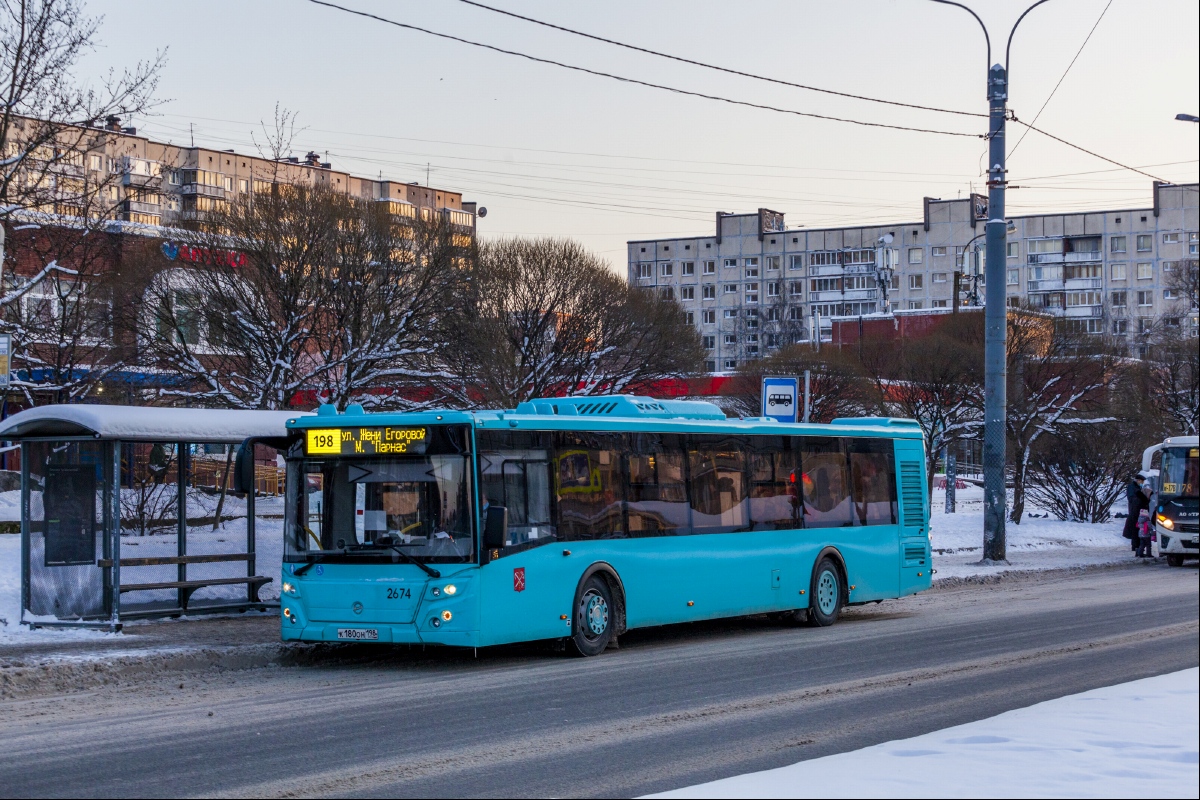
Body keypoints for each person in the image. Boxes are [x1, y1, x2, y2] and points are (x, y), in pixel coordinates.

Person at [1122, 473, 1149, 553]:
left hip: (1139, 510)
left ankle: (1138, 546)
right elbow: (1131, 498)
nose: (1142, 483)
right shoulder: (1132, 487)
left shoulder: (1138, 487)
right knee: (1134, 528)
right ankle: (1135, 546)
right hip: (1134, 511)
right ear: (1138, 480)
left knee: (1139, 528)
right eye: (1141, 481)